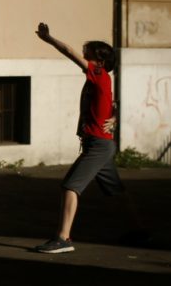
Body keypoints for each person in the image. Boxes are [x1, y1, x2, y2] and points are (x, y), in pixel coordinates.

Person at [34, 23, 145, 254]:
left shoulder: (99, 75)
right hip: (100, 144)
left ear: (100, 62)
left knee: (70, 186)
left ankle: (63, 239)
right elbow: (110, 104)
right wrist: (113, 116)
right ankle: (139, 232)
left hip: (98, 145)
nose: (85, 57)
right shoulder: (99, 81)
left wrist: (50, 39)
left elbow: (70, 52)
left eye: (90, 55)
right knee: (116, 190)